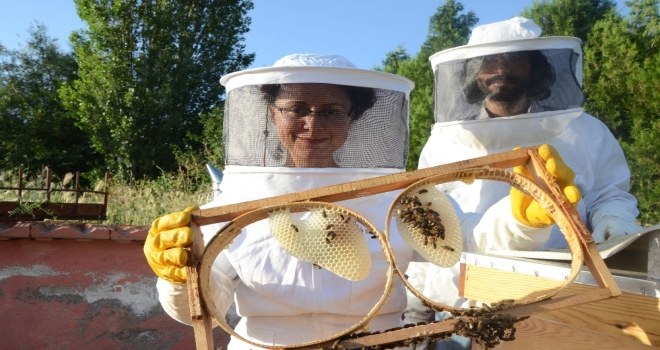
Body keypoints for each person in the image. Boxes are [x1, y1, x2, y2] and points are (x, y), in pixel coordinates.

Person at [143, 53, 569, 350]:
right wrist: (177, 278)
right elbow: (203, 306)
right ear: (272, 114)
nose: (312, 123)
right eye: (296, 108)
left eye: (332, 111)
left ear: (353, 119)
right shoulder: (236, 199)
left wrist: (522, 219)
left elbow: (468, 239)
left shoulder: (395, 193)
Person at [405, 17, 643, 350]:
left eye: (514, 58)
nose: (500, 68)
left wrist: (615, 226)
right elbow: (428, 228)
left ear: (536, 68)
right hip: (462, 305)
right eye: (489, 60)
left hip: (564, 299)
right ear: (472, 71)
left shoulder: (584, 130)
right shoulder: (444, 142)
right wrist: (416, 309)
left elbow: (610, 194)